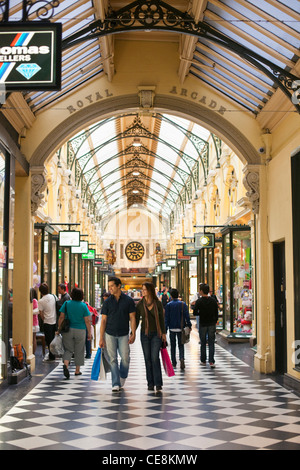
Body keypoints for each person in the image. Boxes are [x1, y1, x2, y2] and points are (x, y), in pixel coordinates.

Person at [99, 277, 136, 392]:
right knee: (112, 359)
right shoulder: (107, 302)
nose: (110, 288)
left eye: (112, 286)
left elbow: (132, 317)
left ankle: (123, 376)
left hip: (124, 333)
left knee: (125, 358)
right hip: (109, 333)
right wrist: (101, 338)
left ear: (119, 286)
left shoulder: (128, 301)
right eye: (109, 286)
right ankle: (115, 382)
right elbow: (103, 320)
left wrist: (133, 333)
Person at [136, 282, 166, 392]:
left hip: (156, 334)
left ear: (150, 290)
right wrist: (132, 333)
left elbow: (162, 319)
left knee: (154, 358)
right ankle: (150, 383)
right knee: (147, 359)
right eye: (142, 289)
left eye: (144, 289)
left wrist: (163, 333)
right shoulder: (140, 304)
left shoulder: (158, 304)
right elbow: (136, 321)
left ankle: (158, 383)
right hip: (144, 334)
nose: (143, 291)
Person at [58, 287, 91, 379]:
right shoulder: (83, 305)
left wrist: (59, 328)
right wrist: (89, 333)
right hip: (80, 330)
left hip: (67, 330)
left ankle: (66, 365)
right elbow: (87, 320)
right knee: (79, 350)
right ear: (81, 296)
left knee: (68, 349)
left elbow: (61, 317)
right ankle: (77, 370)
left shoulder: (67, 303)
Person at [164, 288, 192, 370]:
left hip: (172, 328)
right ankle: (182, 358)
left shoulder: (168, 305)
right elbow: (187, 316)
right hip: (181, 328)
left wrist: (165, 329)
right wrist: (189, 325)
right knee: (181, 344)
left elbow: (166, 318)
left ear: (171, 296)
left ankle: (174, 362)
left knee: (173, 346)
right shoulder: (183, 304)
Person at [194, 283, 218, 368]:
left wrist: (200, 313)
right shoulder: (213, 301)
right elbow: (216, 312)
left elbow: (194, 312)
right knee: (211, 342)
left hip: (203, 324)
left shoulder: (199, 301)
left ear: (201, 291)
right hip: (211, 324)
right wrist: (215, 320)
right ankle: (211, 361)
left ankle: (203, 360)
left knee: (203, 342)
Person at [38, 283, 58, 362]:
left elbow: (41, 313)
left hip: (47, 322)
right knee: (53, 338)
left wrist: (44, 319)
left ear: (40, 292)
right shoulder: (53, 296)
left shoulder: (41, 301)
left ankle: (51, 355)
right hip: (54, 321)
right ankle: (53, 354)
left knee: (48, 340)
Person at [30, 288, 39, 355]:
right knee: (33, 338)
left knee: (33, 338)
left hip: (34, 322)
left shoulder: (34, 301)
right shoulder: (33, 301)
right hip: (33, 322)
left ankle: (33, 353)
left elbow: (36, 311)